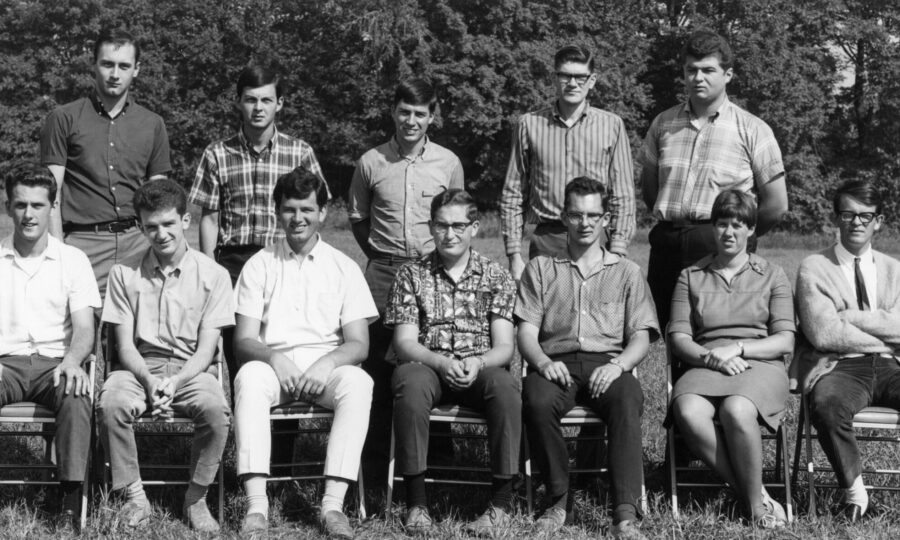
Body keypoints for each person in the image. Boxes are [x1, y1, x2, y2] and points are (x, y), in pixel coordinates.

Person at [189, 65, 327, 473]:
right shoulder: (217, 153)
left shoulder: (299, 152)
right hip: (232, 262)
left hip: (282, 258)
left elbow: (315, 208)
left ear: (279, 103)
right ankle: (243, 459)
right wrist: (212, 274)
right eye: (250, 99)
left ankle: (280, 464)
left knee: (283, 352)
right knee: (242, 361)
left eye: (267, 99)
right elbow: (209, 217)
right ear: (238, 102)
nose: (258, 107)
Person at [234, 168, 377, 539]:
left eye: (307, 210)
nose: (298, 218)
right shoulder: (259, 264)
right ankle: (256, 505)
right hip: (273, 365)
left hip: (326, 366)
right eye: (289, 209)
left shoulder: (343, 267)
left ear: (323, 213)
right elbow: (244, 340)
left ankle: (332, 505)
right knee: (248, 378)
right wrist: (275, 359)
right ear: (277, 211)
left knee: (358, 384)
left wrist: (326, 363)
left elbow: (359, 344)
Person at [517, 177, 658, 539]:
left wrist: (619, 365)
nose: (585, 223)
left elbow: (641, 335)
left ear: (606, 219)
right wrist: (543, 363)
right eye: (577, 215)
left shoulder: (626, 271)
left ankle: (624, 513)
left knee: (628, 398)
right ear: (564, 217)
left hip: (607, 364)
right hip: (556, 363)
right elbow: (527, 333)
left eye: (593, 215)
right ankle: (559, 498)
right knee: (536, 399)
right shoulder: (542, 268)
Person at [96, 180, 233, 533]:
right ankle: (135, 496)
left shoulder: (214, 275)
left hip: (191, 369)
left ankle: (196, 496)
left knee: (216, 409)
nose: (161, 234)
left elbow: (207, 349)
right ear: (141, 227)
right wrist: (151, 380)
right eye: (151, 227)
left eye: (168, 224)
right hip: (139, 367)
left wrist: (177, 381)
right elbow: (124, 347)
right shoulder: (123, 273)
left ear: (186, 220)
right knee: (110, 403)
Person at [348, 78, 464, 488]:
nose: (411, 121)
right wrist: (385, 256)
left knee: (434, 358)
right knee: (378, 366)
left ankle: (438, 463)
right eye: (404, 112)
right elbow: (359, 219)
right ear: (393, 112)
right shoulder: (371, 161)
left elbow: (455, 217)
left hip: (433, 271)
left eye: (420, 113)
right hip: (383, 272)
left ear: (432, 116)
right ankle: (376, 465)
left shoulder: (448, 163)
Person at [386, 189, 520, 535]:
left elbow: (505, 346)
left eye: (459, 225)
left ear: (474, 227)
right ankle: (416, 503)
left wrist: (478, 361)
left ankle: (501, 504)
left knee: (506, 387)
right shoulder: (411, 274)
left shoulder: (496, 275)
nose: (450, 234)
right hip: (428, 366)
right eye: (442, 225)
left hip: (481, 368)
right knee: (409, 382)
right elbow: (404, 343)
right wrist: (441, 363)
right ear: (431, 227)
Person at [640, 29, 788, 330]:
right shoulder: (663, 123)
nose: (698, 78)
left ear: (728, 74)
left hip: (718, 241)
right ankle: (672, 379)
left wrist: (744, 233)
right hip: (668, 243)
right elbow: (651, 189)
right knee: (667, 329)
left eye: (708, 70)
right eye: (691, 70)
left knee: (716, 328)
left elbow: (776, 204)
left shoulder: (752, 129)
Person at [668, 190, 794, 529]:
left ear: (751, 230)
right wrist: (713, 358)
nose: (728, 232)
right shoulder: (690, 275)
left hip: (759, 364)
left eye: (737, 225)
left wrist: (737, 349)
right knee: (687, 410)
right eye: (722, 224)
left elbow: (784, 340)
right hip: (706, 363)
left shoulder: (772, 274)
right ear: (712, 227)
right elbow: (678, 338)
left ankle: (755, 504)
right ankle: (754, 493)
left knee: (737, 408)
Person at [792, 180, 900, 523]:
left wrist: (850, 316)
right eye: (848, 214)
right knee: (826, 403)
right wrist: (883, 330)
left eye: (865, 216)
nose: (857, 222)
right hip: (838, 366)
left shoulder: (895, 270)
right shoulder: (813, 267)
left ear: (878, 221)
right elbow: (824, 333)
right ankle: (855, 493)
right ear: (836, 219)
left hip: (891, 365)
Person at [0, 164, 100, 530]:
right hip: (5, 364)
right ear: (8, 206)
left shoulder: (72, 260)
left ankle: (70, 502)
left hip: (55, 363)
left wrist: (74, 360)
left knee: (76, 394)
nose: (29, 214)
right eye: (20, 204)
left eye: (38, 205)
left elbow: (85, 327)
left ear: (52, 208)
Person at [40, 27, 171, 295]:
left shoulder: (153, 124)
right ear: (94, 65)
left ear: (136, 69)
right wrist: (59, 252)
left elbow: (160, 197)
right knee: (81, 329)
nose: (114, 74)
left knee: (140, 330)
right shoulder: (64, 118)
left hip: (138, 241)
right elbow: (50, 194)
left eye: (124, 66)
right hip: (83, 244)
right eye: (107, 64)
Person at [501, 44, 636, 281]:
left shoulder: (612, 125)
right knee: (544, 315)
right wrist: (514, 254)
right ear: (555, 78)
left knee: (596, 315)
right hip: (547, 239)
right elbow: (513, 192)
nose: (572, 83)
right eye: (565, 75)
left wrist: (618, 249)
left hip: (595, 237)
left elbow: (622, 194)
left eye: (580, 77)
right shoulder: (529, 124)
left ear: (592, 80)